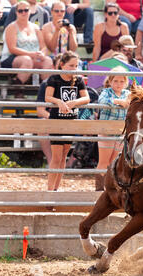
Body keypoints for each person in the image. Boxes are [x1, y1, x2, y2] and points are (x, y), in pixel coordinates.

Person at [45, 51, 90, 192]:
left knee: (64, 155)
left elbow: (86, 98)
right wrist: (59, 101)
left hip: (71, 120)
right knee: (57, 156)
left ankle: (56, 189)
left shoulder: (78, 80)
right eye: (71, 65)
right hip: (57, 121)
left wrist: (74, 102)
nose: (74, 68)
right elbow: (48, 97)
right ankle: (50, 190)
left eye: (76, 65)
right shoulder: (54, 78)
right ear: (62, 65)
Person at [0, 1, 53, 93]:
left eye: (26, 10)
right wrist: (31, 54)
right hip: (11, 58)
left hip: (32, 57)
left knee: (47, 60)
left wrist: (42, 53)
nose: (23, 13)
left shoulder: (36, 27)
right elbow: (12, 48)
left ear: (30, 11)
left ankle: (46, 91)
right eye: (20, 11)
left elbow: (44, 46)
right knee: (27, 60)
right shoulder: (11, 27)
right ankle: (18, 90)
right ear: (16, 12)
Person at [94, 66, 131, 191]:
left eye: (122, 81)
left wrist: (126, 101)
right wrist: (120, 102)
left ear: (126, 82)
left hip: (120, 132)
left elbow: (132, 102)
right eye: (115, 81)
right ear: (110, 81)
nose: (119, 84)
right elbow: (103, 101)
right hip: (107, 131)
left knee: (114, 162)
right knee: (104, 161)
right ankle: (99, 188)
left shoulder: (128, 94)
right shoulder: (106, 92)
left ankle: (110, 187)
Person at [36, 53, 63, 166]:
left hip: (71, 119)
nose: (63, 70)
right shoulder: (46, 84)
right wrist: (53, 117)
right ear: (53, 67)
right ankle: (51, 162)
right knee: (42, 125)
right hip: (53, 119)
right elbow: (40, 111)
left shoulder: (76, 83)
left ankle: (72, 163)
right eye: (60, 66)